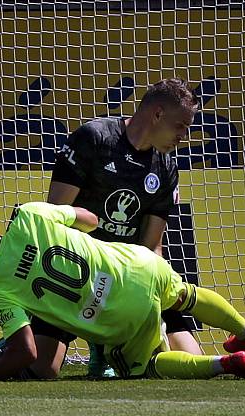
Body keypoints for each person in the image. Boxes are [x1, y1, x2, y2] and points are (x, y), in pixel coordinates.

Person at [0, 202, 245, 382]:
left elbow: (25, 352)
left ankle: (225, 364)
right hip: (135, 264)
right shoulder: (28, 216)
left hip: (118, 316)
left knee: (148, 365)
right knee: (187, 294)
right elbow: (91, 219)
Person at [46, 78, 203, 377]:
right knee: (42, 367)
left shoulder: (166, 167)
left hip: (128, 280)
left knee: (190, 360)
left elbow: (152, 246)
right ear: (157, 115)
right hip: (77, 272)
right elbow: (54, 217)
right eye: (181, 126)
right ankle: (96, 339)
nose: (184, 136)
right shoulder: (94, 139)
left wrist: (152, 296)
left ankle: (112, 341)